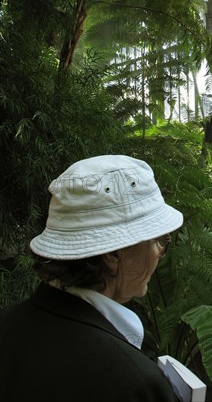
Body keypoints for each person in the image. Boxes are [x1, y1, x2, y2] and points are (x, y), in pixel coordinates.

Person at [0, 155, 183, 402]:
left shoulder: (8, 325)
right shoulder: (134, 382)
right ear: (112, 255)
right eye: (157, 241)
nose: (159, 253)